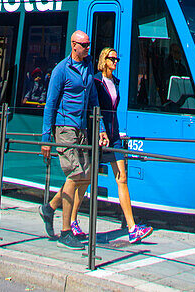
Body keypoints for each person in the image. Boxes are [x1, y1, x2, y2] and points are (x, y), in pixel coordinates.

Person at [77, 46, 153, 244]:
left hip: (114, 135)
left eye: (117, 59)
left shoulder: (115, 82)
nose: (116, 62)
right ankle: (71, 218)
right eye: (112, 59)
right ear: (104, 60)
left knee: (122, 178)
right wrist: (100, 128)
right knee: (85, 179)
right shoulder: (95, 81)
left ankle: (132, 227)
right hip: (99, 136)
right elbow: (94, 108)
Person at [39, 30, 108, 248]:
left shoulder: (88, 67)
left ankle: (49, 208)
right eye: (84, 45)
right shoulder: (61, 70)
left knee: (86, 176)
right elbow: (50, 104)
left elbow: (94, 100)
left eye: (89, 45)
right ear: (74, 45)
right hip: (65, 128)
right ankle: (66, 231)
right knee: (74, 174)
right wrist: (45, 138)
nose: (88, 49)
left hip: (82, 129)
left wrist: (101, 129)